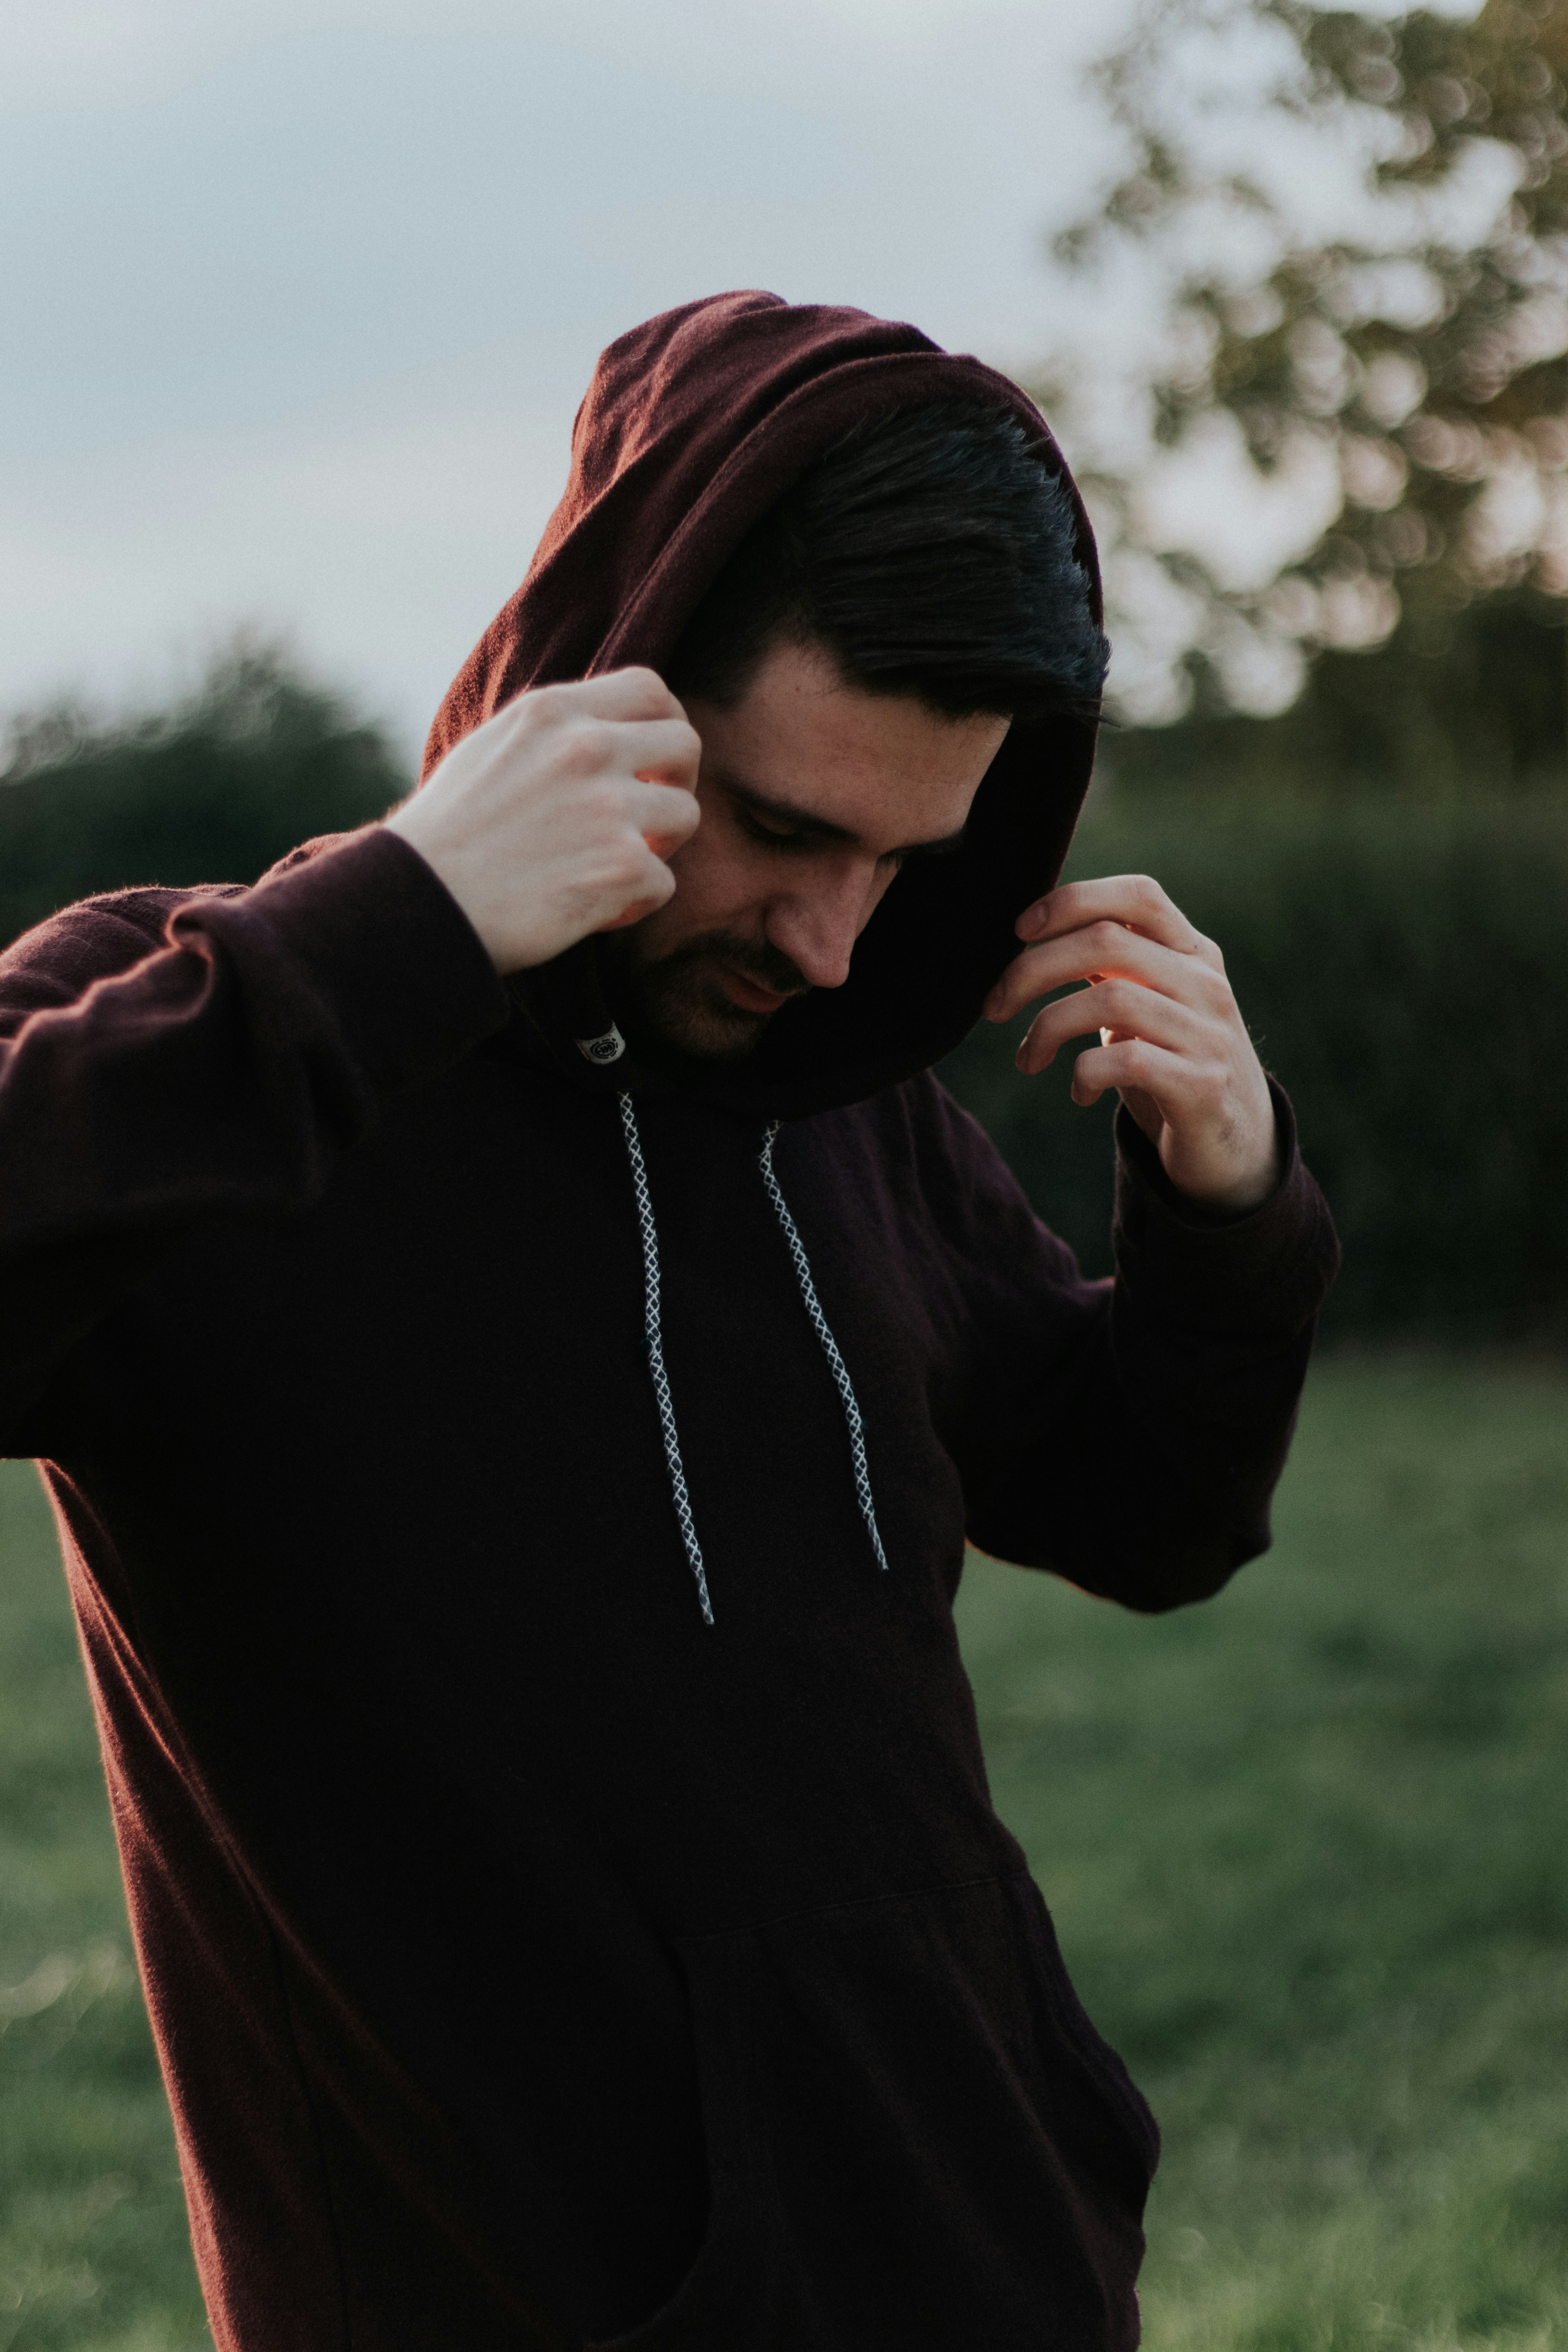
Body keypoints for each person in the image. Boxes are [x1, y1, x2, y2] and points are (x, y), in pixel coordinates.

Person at [0, 292, 1338, 2351]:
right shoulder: (209, 1020)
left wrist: (1225, 1207)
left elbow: (1147, 1517)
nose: (830, 943)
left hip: (991, 2275)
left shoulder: (841, 1098)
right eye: (786, 827)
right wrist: (395, 938)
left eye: (912, 859)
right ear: (587, 692)